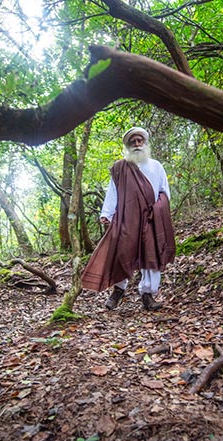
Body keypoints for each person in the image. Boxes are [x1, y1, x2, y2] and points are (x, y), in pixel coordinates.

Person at [81, 126, 175, 311]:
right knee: (122, 252)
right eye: (133, 141)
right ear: (128, 145)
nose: (137, 144)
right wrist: (106, 214)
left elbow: (165, 192)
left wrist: (156, 209)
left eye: (140, 140)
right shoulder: (119, 168)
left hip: (151, 219)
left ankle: (148, 296)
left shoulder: (157, 166)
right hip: (127, 218)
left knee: (151, 256)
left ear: (145, 143)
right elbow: (113, 192)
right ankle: (118, 290)